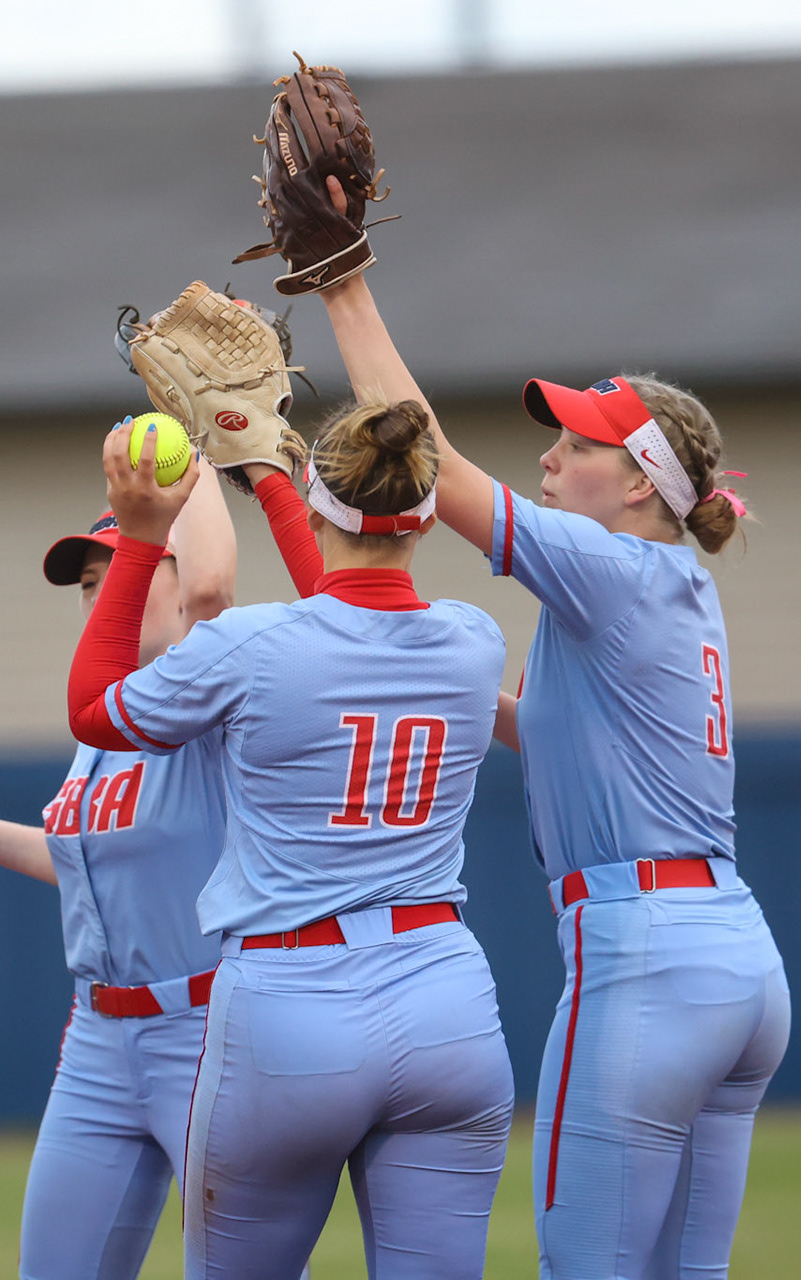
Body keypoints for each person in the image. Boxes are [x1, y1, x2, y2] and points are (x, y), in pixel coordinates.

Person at [309, 227, 790, 1280]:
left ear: (637, 482)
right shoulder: (673, 585)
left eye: (579, 443)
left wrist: (342, 287)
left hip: (646, 952)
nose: (551, 456)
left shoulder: (614, 565)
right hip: (736, 957)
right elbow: (565, 730)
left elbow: (425, 453)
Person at [67, 412, 514, 1278]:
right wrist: (274, 477)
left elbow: (95, 711)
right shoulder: (472, 639)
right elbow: (356, 618)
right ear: (422, 516)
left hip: (291, 998)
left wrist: (139, 540)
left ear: (319, 510)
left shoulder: (252, 645)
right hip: (444, 995)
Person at [0, 445, 237, 1280]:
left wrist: (196, 452)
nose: (101, 598)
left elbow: (211, 593)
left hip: (204, 1030)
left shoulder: (216, 700)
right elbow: (90, 864)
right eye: (91, 586)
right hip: (96, 1037)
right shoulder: (101, 731)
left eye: (122, 571)